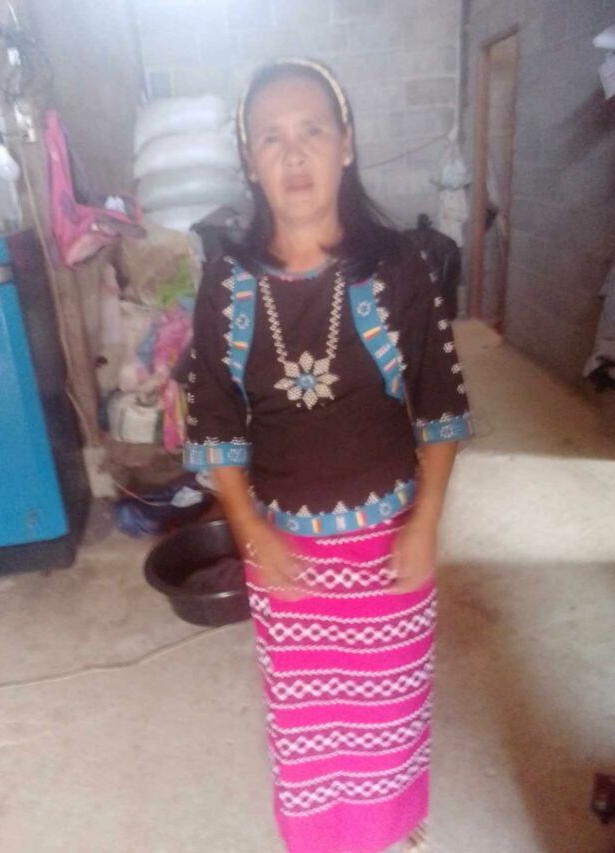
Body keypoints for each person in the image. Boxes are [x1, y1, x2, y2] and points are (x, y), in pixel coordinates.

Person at [184, 58, 473, 853]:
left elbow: (441, 406)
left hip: (390, 539)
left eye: (312, 129)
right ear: (249, 161)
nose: (294, 154)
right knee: (307, 723)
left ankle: (388, 827)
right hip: (284, 548)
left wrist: (426, 523)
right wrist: (250, 530)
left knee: (388, 710)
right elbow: (215, 421)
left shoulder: (400, 267)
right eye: (270, 137)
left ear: (346, 145)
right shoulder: (226, 282)